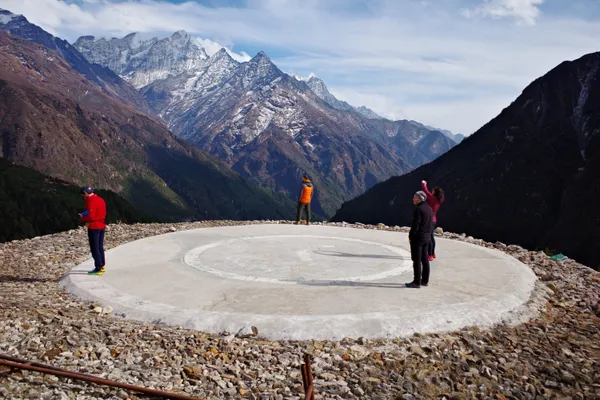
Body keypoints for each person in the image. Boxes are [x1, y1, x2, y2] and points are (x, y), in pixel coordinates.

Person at [406, 190, 433, 288]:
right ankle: (425, 280)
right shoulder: (429, 209)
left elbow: (415, 225)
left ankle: (416, 282)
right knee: (424, 259)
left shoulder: (419, 209)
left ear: (419, 198)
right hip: (426, 237)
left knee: (416, 260)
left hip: (418, 238)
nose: (413, 199)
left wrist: (411, 236)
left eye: (415, 197)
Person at [79, 187, 107, 275]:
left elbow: (91, 216)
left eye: (83, 195)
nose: (83, 196)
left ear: (86, 193)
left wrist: (83, 217)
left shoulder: (91, 201)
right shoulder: (100, 199)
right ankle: (102, 265)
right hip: (102, 225)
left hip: (94, 226)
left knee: (94, 248)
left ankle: (98, 268)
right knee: (100, 246)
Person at [421, 180, 444, 261]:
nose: (432, 191)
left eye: (433, 190)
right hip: (433, 219)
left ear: (435, 192)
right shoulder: (438, 200)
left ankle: (429, 254)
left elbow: (425, 191)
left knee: (428, 237)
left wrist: (424, 183)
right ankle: (433, 253)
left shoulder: (433, 199)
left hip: (429, 219)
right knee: (432, 237)